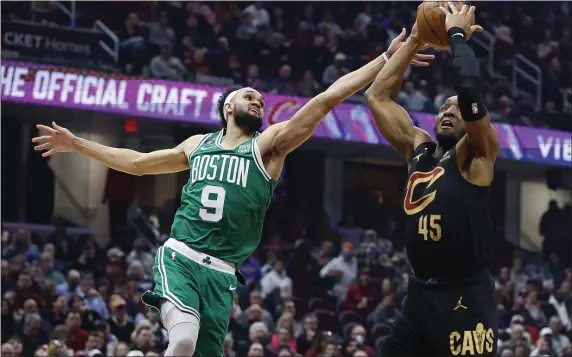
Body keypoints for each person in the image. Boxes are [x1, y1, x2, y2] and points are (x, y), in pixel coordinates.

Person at [32, 33, 432, 357]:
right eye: (248, 96)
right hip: (181, 257)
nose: (256, 100)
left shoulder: (268, 146)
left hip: (223, 275)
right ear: (227, 107)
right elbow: (136, 162)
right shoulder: (196, 145)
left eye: (260, 99)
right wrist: (78, 144)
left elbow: (326, 99)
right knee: (183, 339)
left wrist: (385, 58)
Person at [364, 4, 499, 356]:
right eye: (442, 107)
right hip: (420, 294)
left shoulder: (477, 152)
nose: (447, 110)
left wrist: (456, 35)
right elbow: (376, 97)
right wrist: (416, 40)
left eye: (455, 108)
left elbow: (469, 90)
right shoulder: (418, 148)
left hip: (466, 296)